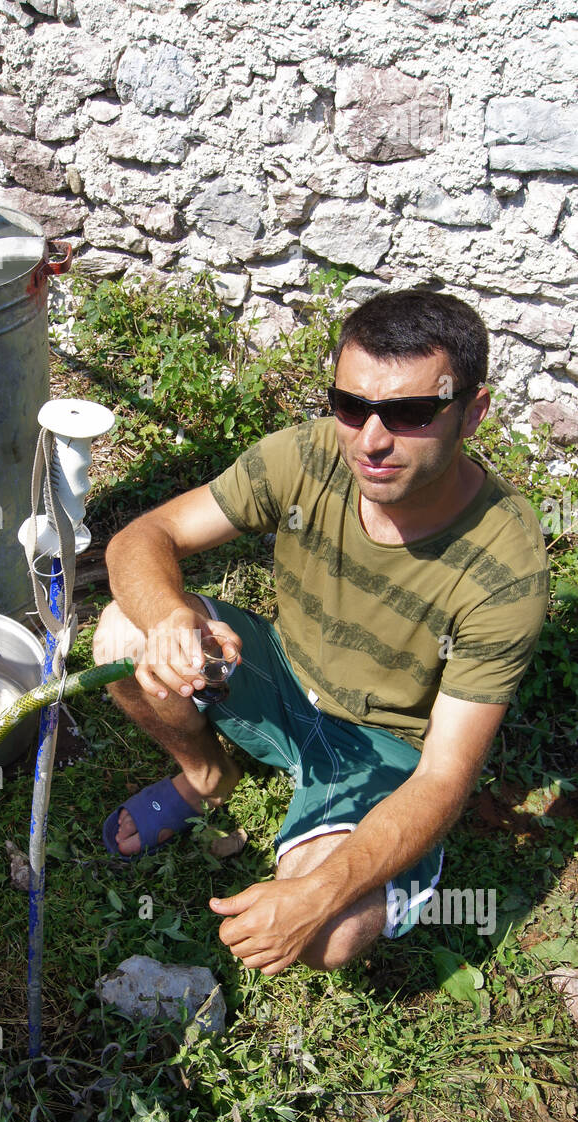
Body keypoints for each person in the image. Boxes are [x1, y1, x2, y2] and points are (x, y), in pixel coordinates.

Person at [92, 289, 549, 976]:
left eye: (410, 413)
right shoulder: (305, 456)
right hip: (278, 672)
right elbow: (142, 537)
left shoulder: (504, 566)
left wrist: (316, 892)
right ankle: (205, 775)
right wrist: (168, 621)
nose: (370, 440)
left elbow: (446, 777)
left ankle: (362, 847)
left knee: (326, 935)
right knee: (122, 628)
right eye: (349, 406)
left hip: (383, 746)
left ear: (472, 414)